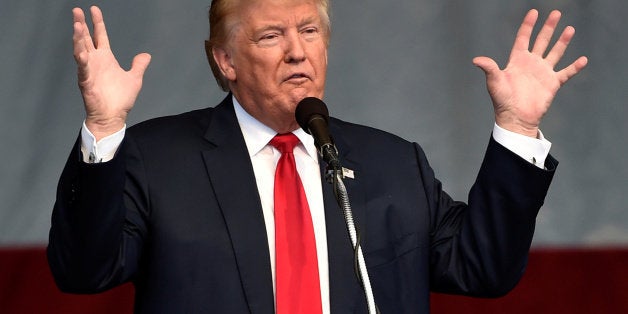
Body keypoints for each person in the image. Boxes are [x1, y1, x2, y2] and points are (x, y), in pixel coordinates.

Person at [47, 0, 588, 313]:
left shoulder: (394, 163)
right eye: (271, 35)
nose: (297, 50)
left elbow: (483, 268)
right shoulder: (156, 158)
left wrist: (518, 127)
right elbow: (83, 273)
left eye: (309, 31)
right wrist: (104, 125)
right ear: (225, 59)